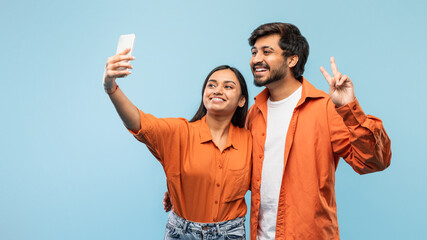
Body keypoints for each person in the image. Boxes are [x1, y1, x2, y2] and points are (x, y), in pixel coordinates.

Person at [164, 22, 392, 239]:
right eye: (254, 52)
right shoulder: (254, 113)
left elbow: (373, 161)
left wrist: (348, 107)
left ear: (292, 59)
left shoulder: (325, 108)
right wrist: (184, 190)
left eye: (266, 52)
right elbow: (229, 166)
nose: (256, 60)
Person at [103, 49, 252, 239]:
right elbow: (138, 122)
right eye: (211, 85)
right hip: (183, 233)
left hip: (231, 232)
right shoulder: (179, 132)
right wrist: (110, 86)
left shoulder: (249, 141)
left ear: (241, 100)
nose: (217, 90)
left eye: (228, 87)